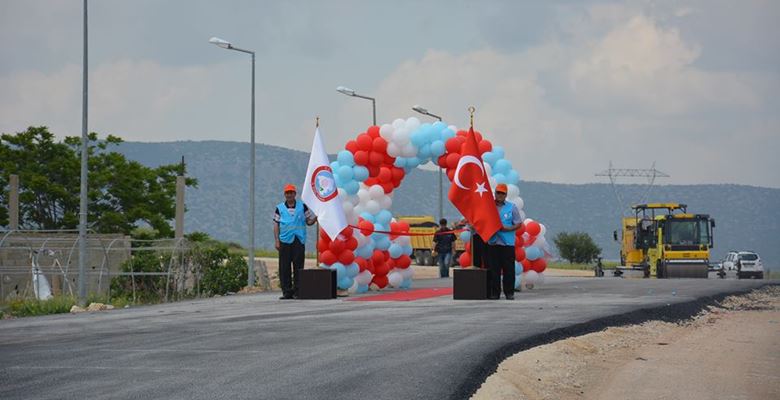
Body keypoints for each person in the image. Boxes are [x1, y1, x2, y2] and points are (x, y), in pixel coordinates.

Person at [273, 184, 316, 299]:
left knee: (298, 266)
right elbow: (276, 224)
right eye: (287, 193)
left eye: (291, 193)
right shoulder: (279, 208)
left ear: (295, 194)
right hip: (284, 240)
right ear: (285, 194)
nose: (289, 195)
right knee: (284, 267)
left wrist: (317, 217)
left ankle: (298, 291)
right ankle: (287, 291)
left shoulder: (302, 207)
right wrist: (277, 240)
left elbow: (309, 221)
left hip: (298, 240)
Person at [485, 183, 523, 300]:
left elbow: (518, 223)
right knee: (493, 270)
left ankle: (509, 293)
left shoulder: (512, 207)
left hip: (507, 243)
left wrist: (508, 228)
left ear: (506, 195)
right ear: (495, 193)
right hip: (493, 242)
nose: (500, 195)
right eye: (498, 193)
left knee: (508, 270)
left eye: (502, 193)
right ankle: (495, 293)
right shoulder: (489, 206)